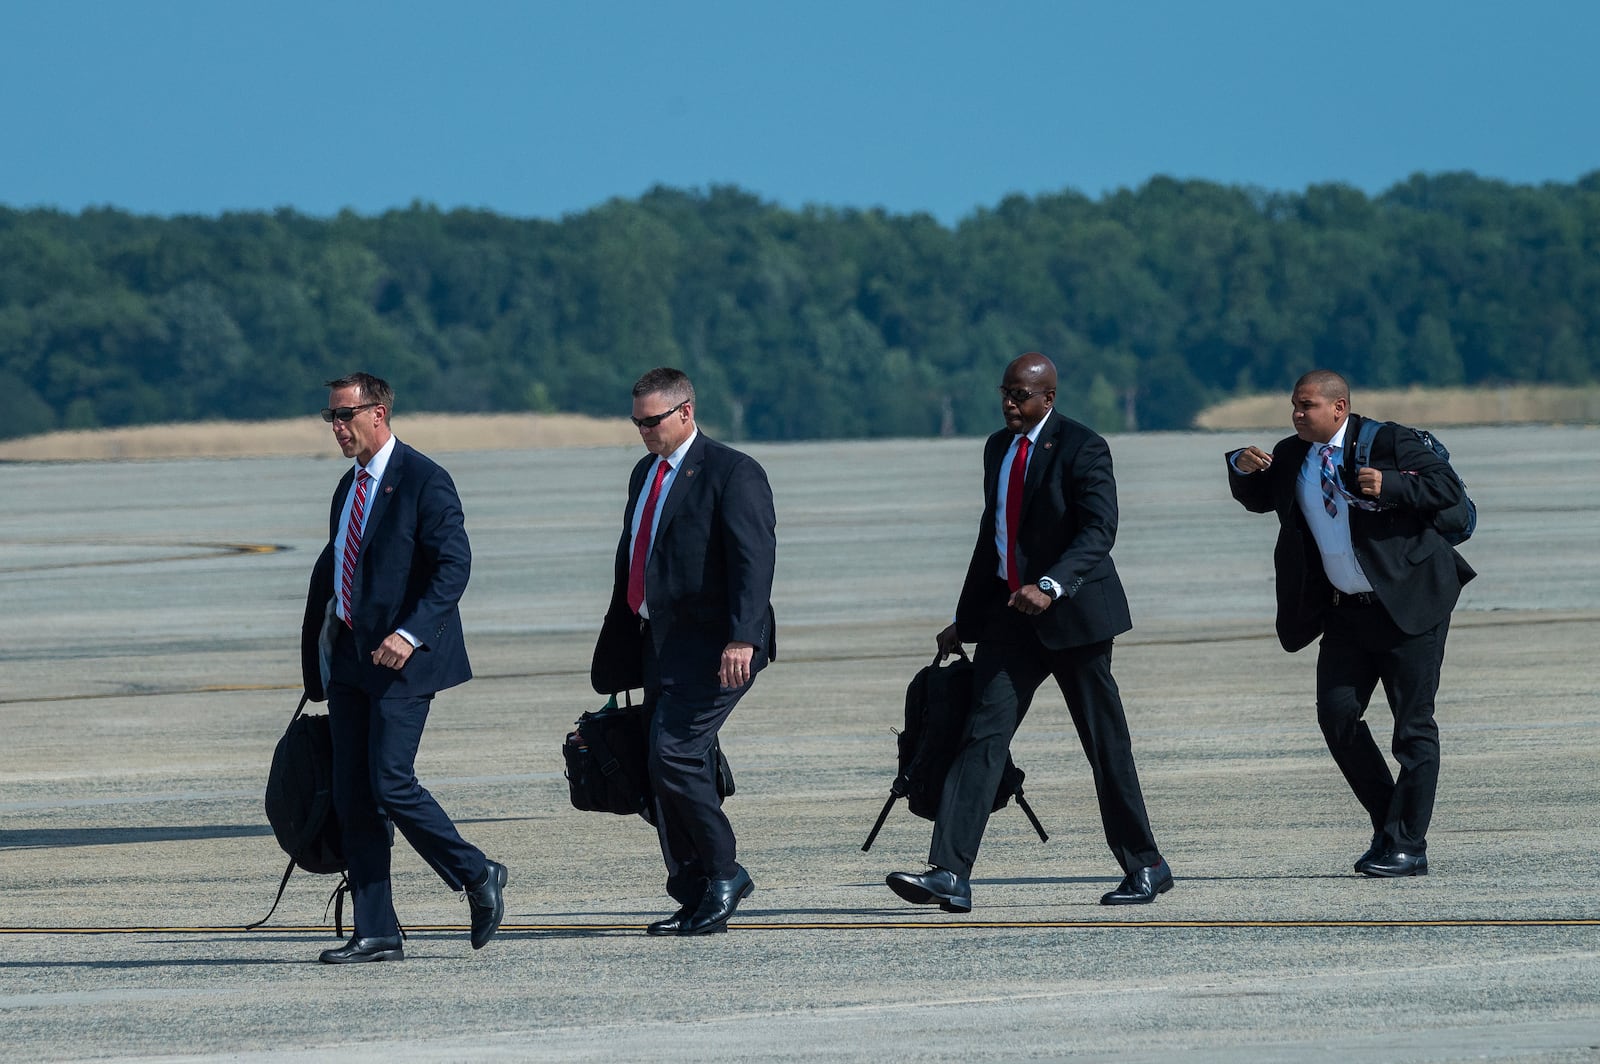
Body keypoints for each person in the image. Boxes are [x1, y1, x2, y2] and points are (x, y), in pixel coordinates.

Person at [887, 352, 1172, 912]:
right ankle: (948, 872)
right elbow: (992, 536)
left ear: (1049, 398)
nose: (1010, 403)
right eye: (1005, 393)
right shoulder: (997, 447)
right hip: (1009, 620)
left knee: (1104, 745)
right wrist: (965, 621)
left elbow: (1098, 530)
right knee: (981, 736)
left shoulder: (1084, 447)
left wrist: (1050, 583)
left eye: (1021, 395)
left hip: (1076, 619)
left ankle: (1147, 865)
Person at [1225, 369, 1475, 877]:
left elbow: (1446, 489)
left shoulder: (1390, 441)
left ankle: (1408, 845)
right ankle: (1391, 826)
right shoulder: (1293, 453)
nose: (1296, 414)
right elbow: (1257, 497)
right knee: (1337, 717)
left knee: (1413, 730)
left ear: (1338, 408)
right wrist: (1240, 467)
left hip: (1409, 605)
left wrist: (1394, 484)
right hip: (1345, 612)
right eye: (1294, 405)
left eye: (1306, 406)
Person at [299, 372, 507, 963]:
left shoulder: (424, 480)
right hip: (348, 662)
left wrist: (409, 634)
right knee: (352, 793)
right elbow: (337, 571)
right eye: (330, 418)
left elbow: (453, 568)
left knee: (390, 779)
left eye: (345, 416)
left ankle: (476, 873)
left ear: (379, 413)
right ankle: (377, 929)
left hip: (402, 661)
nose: (336, 428)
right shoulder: (348, 487)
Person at [591, 367, 777, 936]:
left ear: (686, 412)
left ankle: (725, 872)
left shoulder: (732, 472)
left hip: (718, 646)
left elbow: (754, 560)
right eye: (637, 422)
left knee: (675, 753)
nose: (645, 432)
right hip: (658, 644)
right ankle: (693, 887)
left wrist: (742, 636)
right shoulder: (644, 473)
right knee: (658, 763)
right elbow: (636, 555)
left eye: (654, 421)